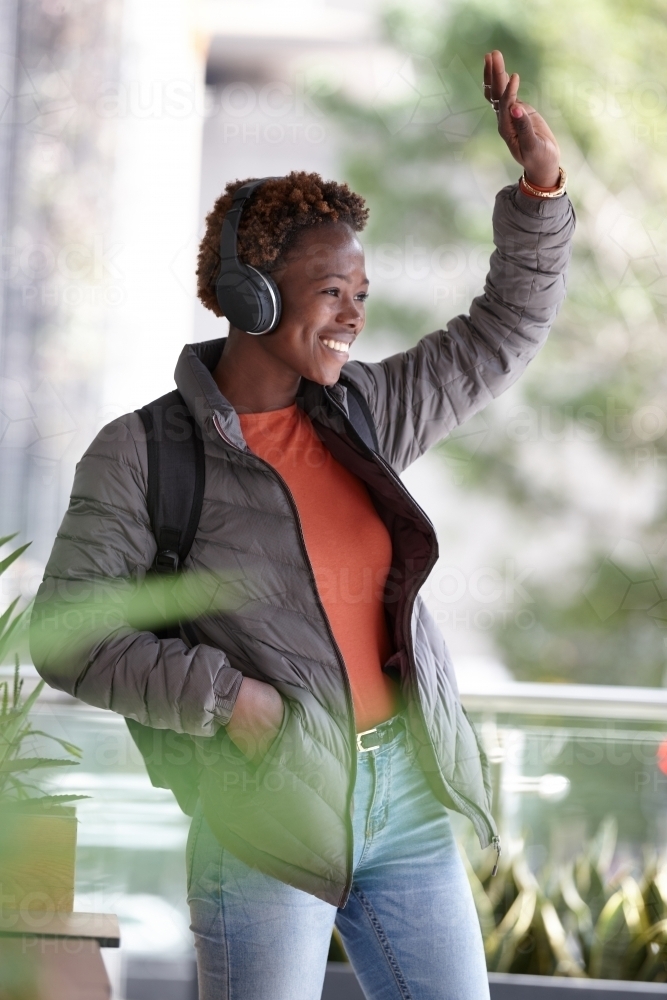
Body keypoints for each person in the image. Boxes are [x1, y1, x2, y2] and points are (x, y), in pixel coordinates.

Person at [31, 51, 575, 1000]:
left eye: (360, 296)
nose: (352, 318)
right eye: (332, 293)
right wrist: (230, 703)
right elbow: (66, 635)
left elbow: (500, 333)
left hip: (407, 805)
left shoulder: (364, 412)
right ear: (252, 296)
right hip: (265, 818)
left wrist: (538, 191)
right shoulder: (143, 454)